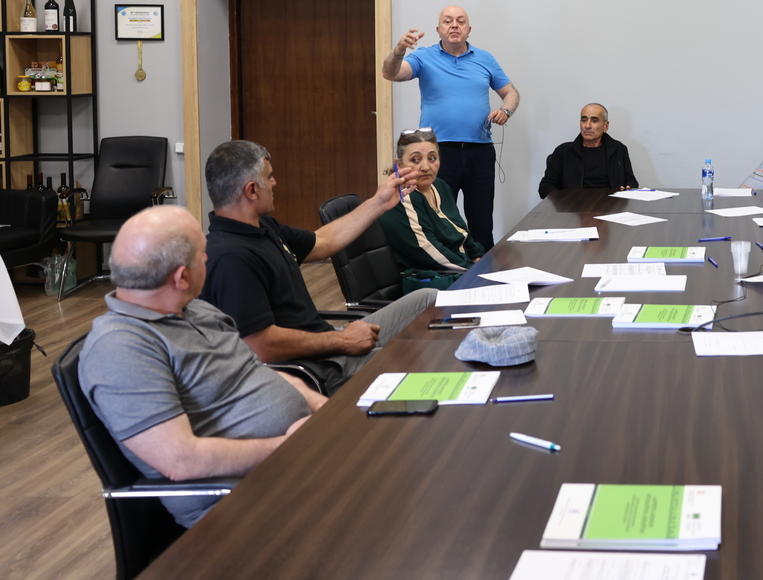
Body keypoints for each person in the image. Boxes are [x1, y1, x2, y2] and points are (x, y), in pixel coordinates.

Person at [79, 207, 325, 528]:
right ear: (181, 277)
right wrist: (288, 447)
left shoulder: (195, 309)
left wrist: (323, 408)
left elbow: (255, 372)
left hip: (296, 465)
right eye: (202, 254)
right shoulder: (120, 348)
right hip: (241, 505)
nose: (208, 259)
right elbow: (181, 460)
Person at [199, 140, 437, 395]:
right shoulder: (231, 257)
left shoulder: (263, 226)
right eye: (269, 177)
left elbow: (323, 241)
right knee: (419, 360)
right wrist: (341, 340)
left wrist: (379, 202)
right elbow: (261, 345)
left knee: (430, 299)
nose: (275, 182)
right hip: (318, 367)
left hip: (326, 341)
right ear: (252, 190)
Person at [382, 5, 519, 250]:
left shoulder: (485, 59)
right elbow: (391, 73)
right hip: (438, 154)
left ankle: (483, 266)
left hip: (480, 151)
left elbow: (511, 93)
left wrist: (505, 110)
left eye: (460, 21)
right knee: (439, 217)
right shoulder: (423, 57)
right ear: (439, 29)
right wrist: (399, 50)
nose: (454, 25)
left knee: (481, 220)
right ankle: (449, 266)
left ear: (468, 29)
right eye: (448, 21)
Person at [381, 129, 488, 274]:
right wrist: (474, 270)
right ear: (399, 165)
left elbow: (461, 230)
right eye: (415, 160)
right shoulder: (401, 199)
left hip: (463, 268)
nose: (426, 167)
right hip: (436, 277)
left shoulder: (439, 186)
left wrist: (477, 256)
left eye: (432, 158)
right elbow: (430, 252)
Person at [538, 103, 638, 198]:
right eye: (584, 120)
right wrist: (563, 201)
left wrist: (628, 188)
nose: (587, 126)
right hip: (573, 206)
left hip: (611, 205)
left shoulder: (618, 149)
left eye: (594, 120)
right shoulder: (563, 152)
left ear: (605, 126)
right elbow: (545, 186)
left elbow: (631, 181)